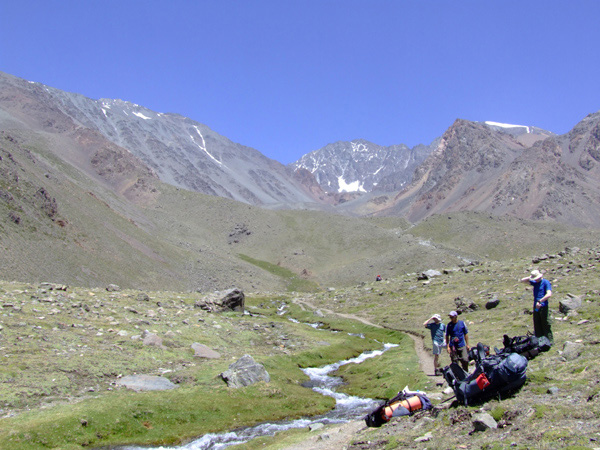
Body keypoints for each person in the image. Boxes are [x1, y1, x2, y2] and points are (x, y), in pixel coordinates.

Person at [520, 269, 553, 344]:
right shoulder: (535, 283)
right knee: (537, 323)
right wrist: (531, 276)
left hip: (543, 306)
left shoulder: (545, 282)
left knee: (545, 323)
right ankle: (540, 342)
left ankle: (549, 341)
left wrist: (540, 301)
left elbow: (549, 294)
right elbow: (522, 280)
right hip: (536, 307)